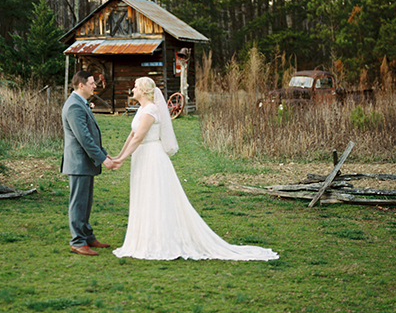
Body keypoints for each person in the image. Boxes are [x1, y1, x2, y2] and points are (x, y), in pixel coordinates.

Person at [110, 77, 279, 261]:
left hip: (151, 156)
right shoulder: (142, 109)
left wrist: (121, 160)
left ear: (143, 90)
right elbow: (131, 134)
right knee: (143, 195)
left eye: (135, 86)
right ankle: (144, 237)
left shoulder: (151, 110)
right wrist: (119, 156)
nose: (132, 89)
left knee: (154, 196)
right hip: (141, 156)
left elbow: (138, 138)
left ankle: (157, 241)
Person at [62, 70, 115, 256]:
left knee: (85, 202)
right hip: (78, 163)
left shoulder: (81, 103)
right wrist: (103, 160)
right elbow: (84, 139)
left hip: (85, 163)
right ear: (81, 85)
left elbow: (91, 136)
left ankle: (87, 236)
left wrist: (105, 155)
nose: (95, 86)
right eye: (92, 83)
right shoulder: (74, 106)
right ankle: (77, 242)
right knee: (78, 203)